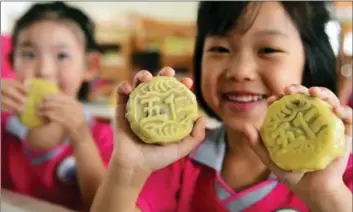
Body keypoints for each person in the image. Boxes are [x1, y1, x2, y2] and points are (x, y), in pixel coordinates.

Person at [91, 2, 352, 212]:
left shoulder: (340, 175)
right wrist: (127, 171)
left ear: (311, 63)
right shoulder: (173, 162)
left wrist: (326, 197)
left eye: (268, 49)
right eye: (220, 48)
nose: (240, 71)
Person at [1, 2, 113, 210]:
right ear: (11, 61)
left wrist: (81, 138)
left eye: (62, 56)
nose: (44, 70)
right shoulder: (3, 125)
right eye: (29, 55)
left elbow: (104, 207)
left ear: (90, 66)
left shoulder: (105, 138)